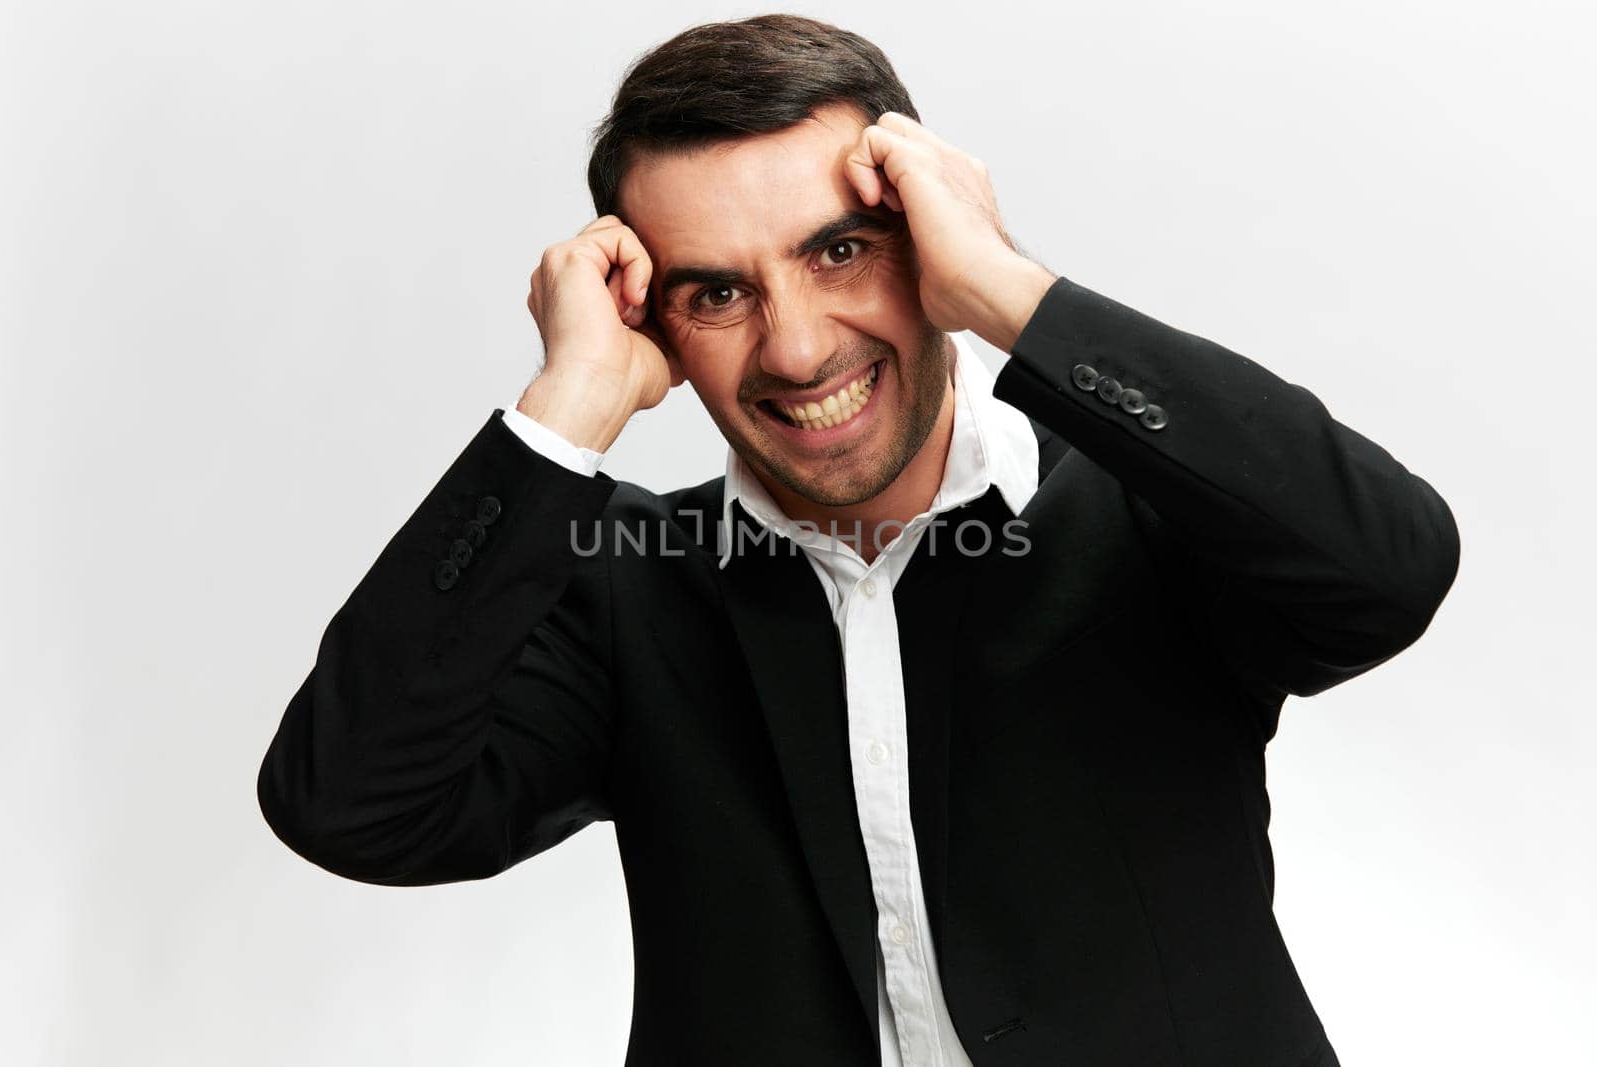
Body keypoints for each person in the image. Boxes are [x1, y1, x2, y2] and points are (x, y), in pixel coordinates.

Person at [256, 14, 1459, 1066]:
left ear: (920, 239)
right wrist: (566, 401)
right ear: (654, 319)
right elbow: (350, 805)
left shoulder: (1142, 513)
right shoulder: (628, 589)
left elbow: (1385, 569)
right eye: (716, 292)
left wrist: (1003, 285)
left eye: (840, 250)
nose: (793, 349)